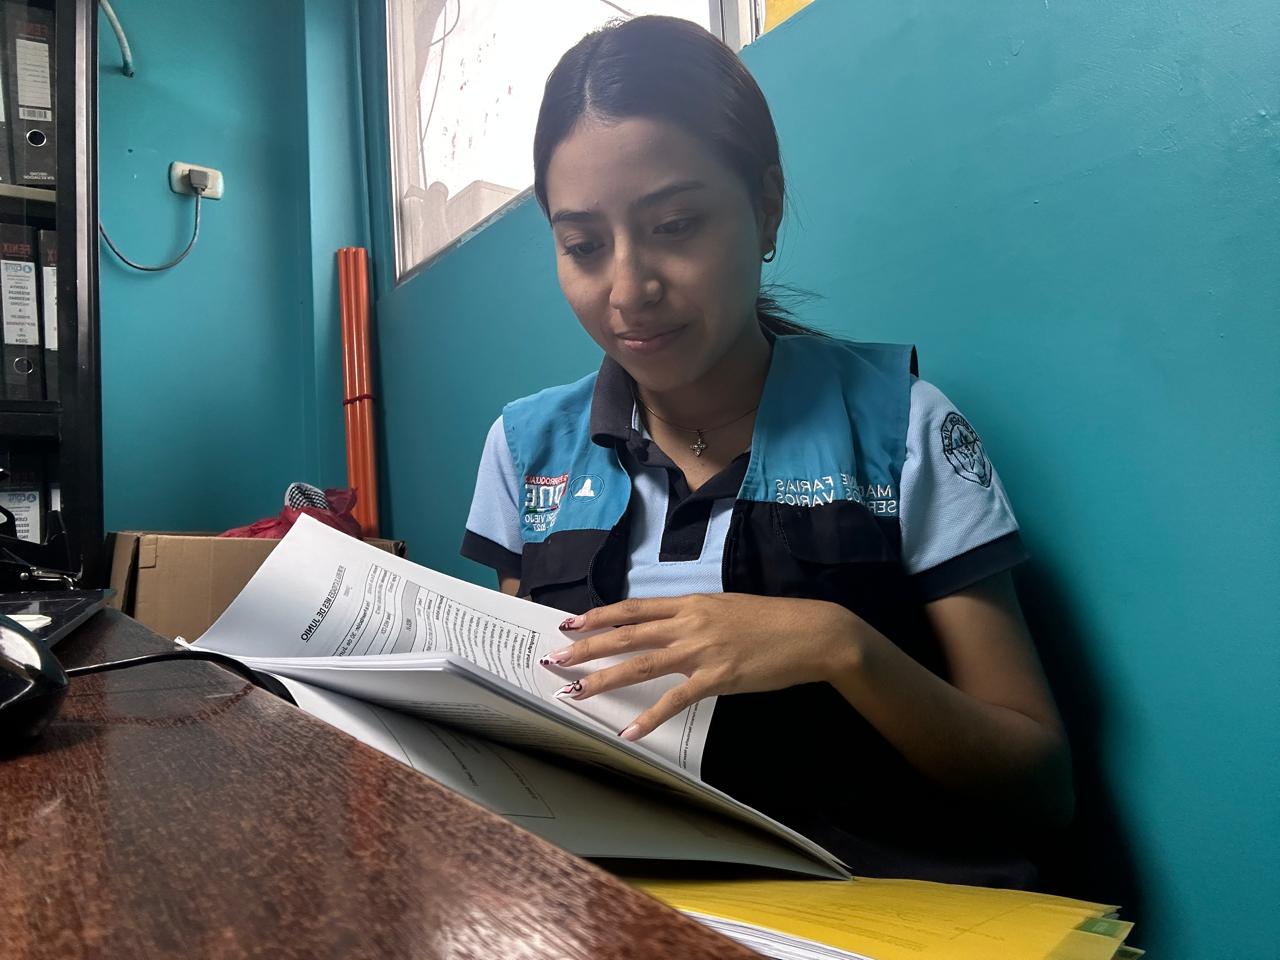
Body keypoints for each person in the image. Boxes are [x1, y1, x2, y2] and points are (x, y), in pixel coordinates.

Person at [461, 15, 1072, 886]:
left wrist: (838, 645)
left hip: (871, 909)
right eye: (584, 246)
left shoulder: (900, 429)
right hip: (620, 907)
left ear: (767, 206)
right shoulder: (527, 451)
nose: (629, 289)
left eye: (676, 224)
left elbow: (1040, 790)